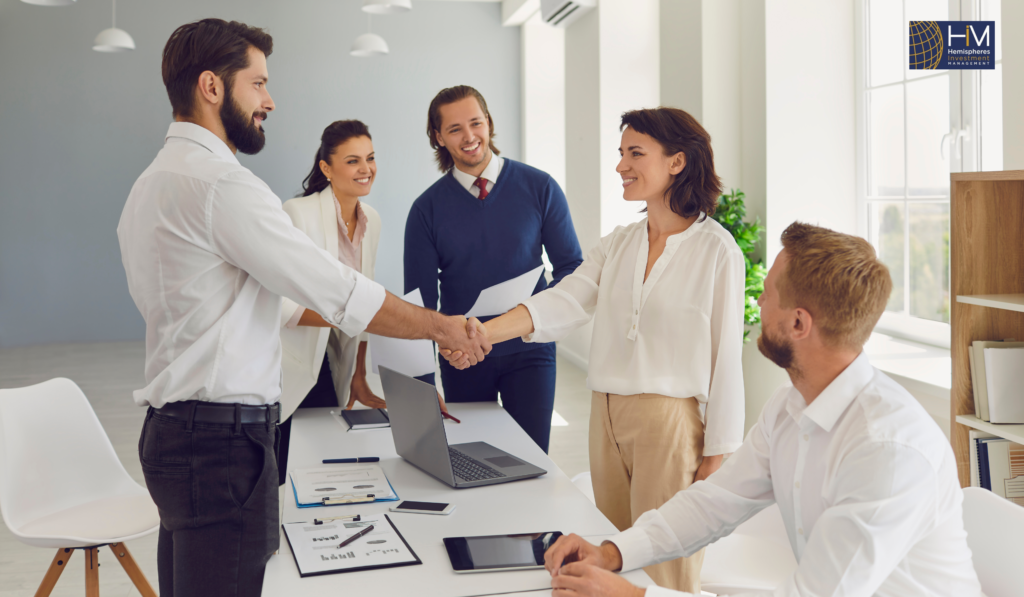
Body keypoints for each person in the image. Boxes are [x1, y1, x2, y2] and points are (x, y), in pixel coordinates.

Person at [117, 20, 489, 597]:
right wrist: (442, 328)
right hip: (220, 446)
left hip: (175, 432)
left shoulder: (152, 182)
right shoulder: (222, 186)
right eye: (258, 83)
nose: (269, 100)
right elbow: (338, 291)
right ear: (212, 87)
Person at [540, 222, 983, 597]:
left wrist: (637, 594)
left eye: (768, 293)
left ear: (798, 323)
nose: (757, 302)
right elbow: (713, 503)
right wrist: (613, 551)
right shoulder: (791, 405)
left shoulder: (887, 452)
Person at [445, 107, 746, 593]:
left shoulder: (717, 250)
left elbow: (726, 358)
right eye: (621, 153)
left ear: (677, 162)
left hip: (669, 423)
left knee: (663, 566)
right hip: (605, 415)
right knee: (608, 556)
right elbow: (564, 300)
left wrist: (718, 454)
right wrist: (483, 332)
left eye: (635, 153)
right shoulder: (620, 242)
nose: (621, 165)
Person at [404, 85, 583, 453]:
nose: (469, 137)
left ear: (489, 123)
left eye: (476, 123)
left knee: (532, 461)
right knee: (473, 459)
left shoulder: (540, 187)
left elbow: (570, 270)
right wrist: (422, 384)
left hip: (530, 351)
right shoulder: (426, 210)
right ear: (438, 137)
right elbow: (419, 306)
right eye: (455, 129)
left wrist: (544, 321)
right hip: (463, 358)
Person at [275, 120, 448, 486]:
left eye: (370, 158)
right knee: (293, 459)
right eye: (353, 161)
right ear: (326, 167)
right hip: (296, 358)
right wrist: (351, 319)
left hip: (338, 357)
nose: (366, 169)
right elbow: (281, 304)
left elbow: (364, 292)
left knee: (322, 455)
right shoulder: (297, 213)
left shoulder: (372, 219)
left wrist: (357, 374)